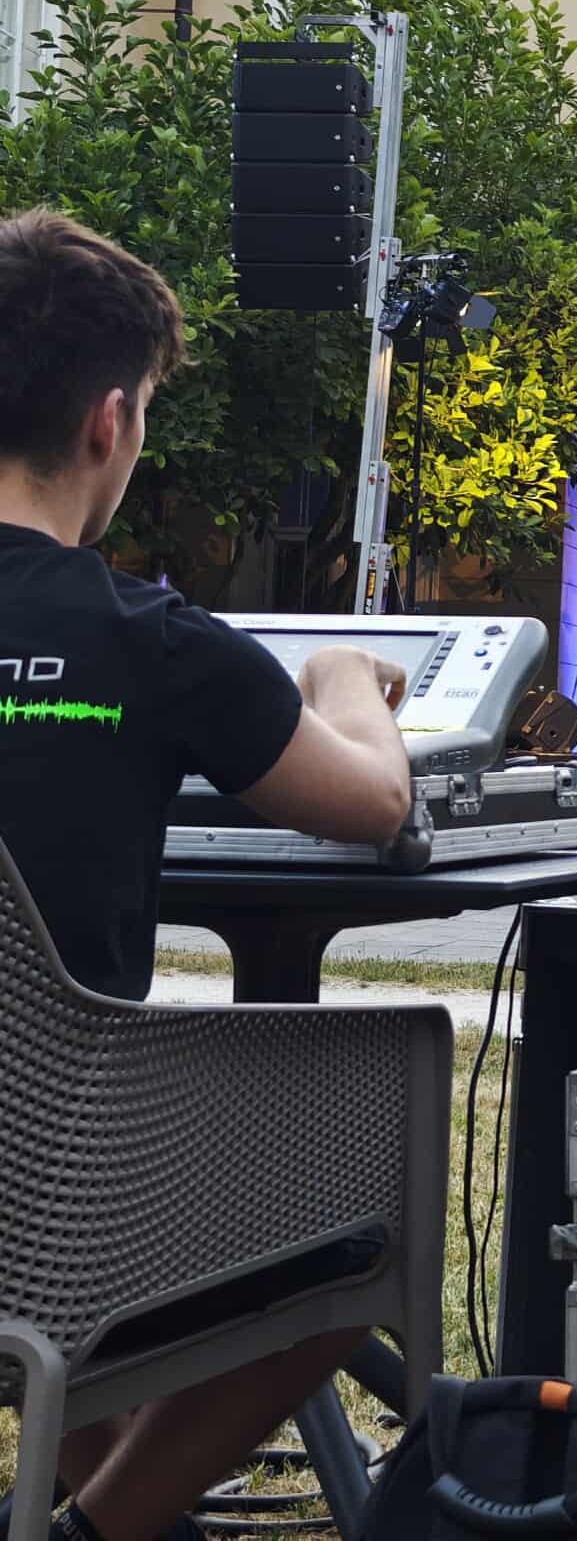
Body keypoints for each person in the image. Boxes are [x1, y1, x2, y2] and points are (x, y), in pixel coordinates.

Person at [0, 210, 413, 1541]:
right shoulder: (146, 638)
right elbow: (373, 802)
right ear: (110, 421)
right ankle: (98, 1532)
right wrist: (342, 676)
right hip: (59, 1209)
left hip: (43, 1227)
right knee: (354, 1230)